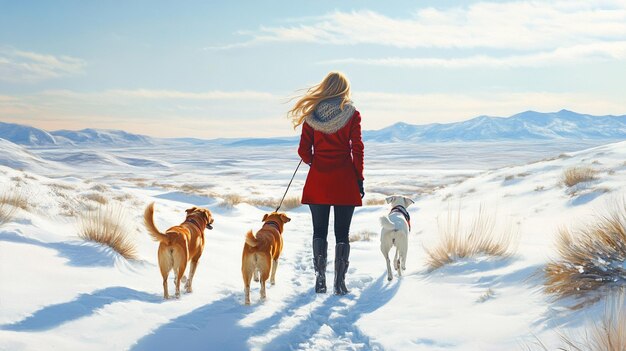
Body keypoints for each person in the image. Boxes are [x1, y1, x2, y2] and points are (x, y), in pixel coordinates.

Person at [289, 71, 364, 295]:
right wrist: (358, 178)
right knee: (342, 233)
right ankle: (339, 284)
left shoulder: (311, 116)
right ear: (343, 89)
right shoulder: (352, 114)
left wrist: (317, 163)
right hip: (344, 181)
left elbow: (303, 151)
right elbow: (357, 149)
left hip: (318, 182)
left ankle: (320, 279)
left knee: (319, 231)